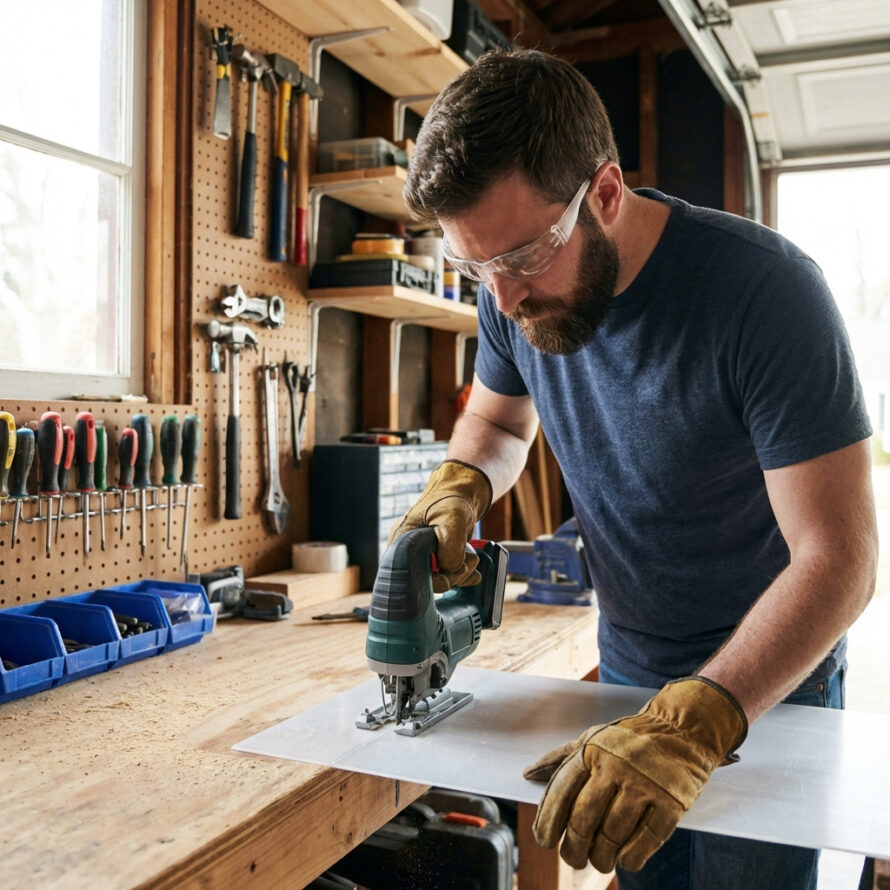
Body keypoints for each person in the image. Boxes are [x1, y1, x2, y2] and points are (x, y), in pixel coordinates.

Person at [388, 48, 879, 890]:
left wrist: (702, 720)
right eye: (476, 268)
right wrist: (464, 480)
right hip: (628, 667)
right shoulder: (511, 287)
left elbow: (843, 560)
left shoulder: (768, 295)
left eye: (520, 260)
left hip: (766, 689)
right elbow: (500, 420)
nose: (501, 298)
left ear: (605, 194)